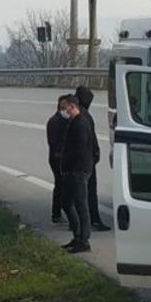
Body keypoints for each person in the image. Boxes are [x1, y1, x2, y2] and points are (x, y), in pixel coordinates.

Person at [58, 95, 94, 253]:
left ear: (72, 106)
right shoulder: (73, 122)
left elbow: (79, 150)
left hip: (78, 170)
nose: (62, 111)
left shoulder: (80, 124)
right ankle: (77, 235)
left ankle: (84, 239)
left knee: (81, 205)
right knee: (66, 202)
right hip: (72, 170)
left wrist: (70, 165)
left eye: (63, 108)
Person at [75, 85, 111, 231]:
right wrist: (95, 154)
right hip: (86, 161)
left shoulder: (79, 114)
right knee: (88, 192)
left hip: (83, 161)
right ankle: (91, 220)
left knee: (81, 192)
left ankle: (82, 221)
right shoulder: (84, 116)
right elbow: (90, 140)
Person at [46, 94, 75, 226]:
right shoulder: (57, 121)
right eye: (65, 106)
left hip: (58, 158)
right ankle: (59, 213)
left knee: (60, 185)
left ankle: (57, 213)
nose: (67, 109)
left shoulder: (59, 120)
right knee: (62, 186)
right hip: (58, 159)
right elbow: (56, 143)